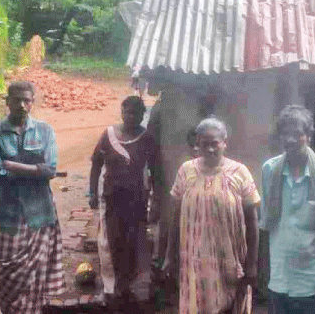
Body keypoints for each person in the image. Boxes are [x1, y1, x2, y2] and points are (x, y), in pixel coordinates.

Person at [164, 118, 260, 314]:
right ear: (197, 145)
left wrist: (251, 264)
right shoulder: (186, 171)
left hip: (230, 263)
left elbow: (252, 222)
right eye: (203, 144)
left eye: (214, 143)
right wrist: (169, 256)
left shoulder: (239, 173)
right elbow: (176, 217)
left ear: (224, 143)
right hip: (193, 263)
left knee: (230, 306)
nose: (209, 149)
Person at [0, 81, 65, 314]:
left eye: (26, 100)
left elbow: (51, 169)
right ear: (7, 101)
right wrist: (35, 170)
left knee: (37, 278)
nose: (21, 105)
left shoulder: (44, 130)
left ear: (32, 102)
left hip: (40, 214)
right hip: (9, 215)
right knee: (8, 274)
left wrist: (13, 166)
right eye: (17, 100)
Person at [260, 105, 315, 314]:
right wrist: (264, 270)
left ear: (309, 136)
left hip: (312, 281)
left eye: (297, 134)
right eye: (285, 134)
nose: (289, 139)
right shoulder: (270, 171)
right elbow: (266, 224)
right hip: (279, 279)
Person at [89, 96, 162, 308]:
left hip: (136, 199)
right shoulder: (109, 135)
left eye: (136, 114)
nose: (131, 117)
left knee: (133, 241)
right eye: (127, 112)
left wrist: (156, 198)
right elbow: (96, 164)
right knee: (109, 240)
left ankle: (128, 285)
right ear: (121, 111)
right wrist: (92, 192)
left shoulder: (147, 138)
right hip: (111, 197)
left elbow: (155, 170)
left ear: (142, 116)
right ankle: (110, 287)